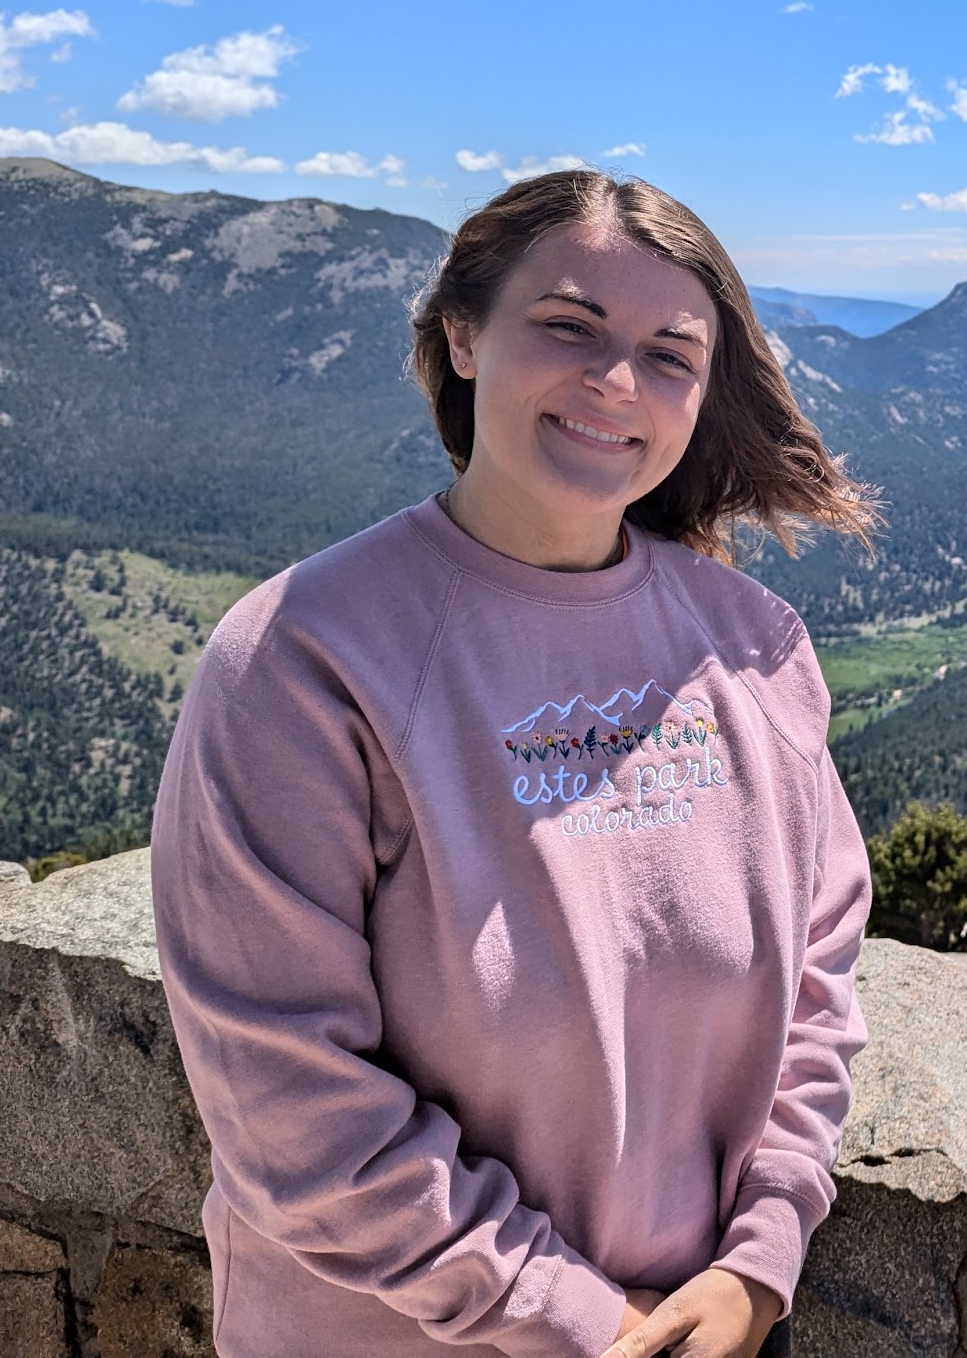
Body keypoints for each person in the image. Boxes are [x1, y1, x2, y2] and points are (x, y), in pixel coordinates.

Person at [151, 169, 879, 1358]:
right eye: (570, 327)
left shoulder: (755, 647)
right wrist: (580, 1317)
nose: (615, 381)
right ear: (463, 335)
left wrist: (762, 1254)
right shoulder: (300, 660)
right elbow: (288, 1102)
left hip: (706, 1324)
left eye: (669, 353)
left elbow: (820, 980)